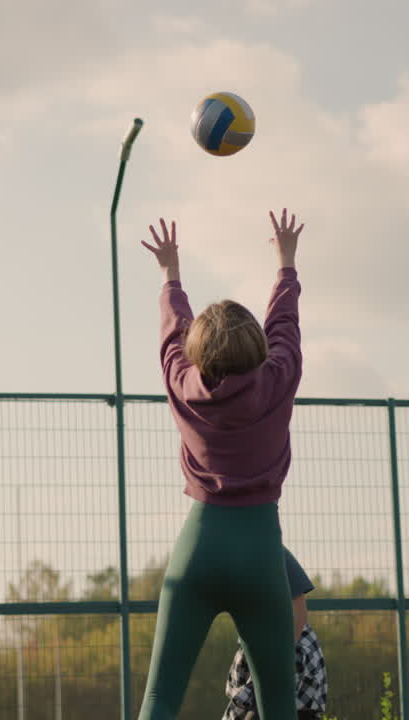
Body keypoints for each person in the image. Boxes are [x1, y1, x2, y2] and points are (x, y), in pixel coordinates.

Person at [135, 209, 306, 720]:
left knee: (160, 698)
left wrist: (171, 275)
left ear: (197, 354)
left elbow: (172, 337)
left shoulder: (183, 385)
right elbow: (284, 328)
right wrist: (286, 264)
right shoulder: (277, 380)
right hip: (260, 554)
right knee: (279, 705)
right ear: (257, 349)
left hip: (199, 550)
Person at [221, 548, 328, 720]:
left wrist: (279, 656)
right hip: (256, 646)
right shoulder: (227, 555)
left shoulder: (273, 552)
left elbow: (298, 613)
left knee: (279, 708)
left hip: (288, 648)